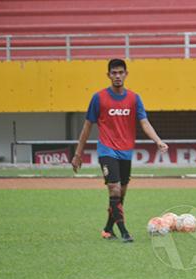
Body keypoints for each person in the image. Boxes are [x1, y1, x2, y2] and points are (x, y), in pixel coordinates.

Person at [71, 58, 168, 242]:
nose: (117, 76)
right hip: (107, 150)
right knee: (114, 189)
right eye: (113, 73)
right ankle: (124, 232)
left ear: (126, 74)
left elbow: (144, 122)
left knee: (121, 193)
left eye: (120, 72)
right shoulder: (98, 98)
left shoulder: (134, 98)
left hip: (126, 152)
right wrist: (78, 154)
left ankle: (108, 228)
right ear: (108, 75)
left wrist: (158, 140)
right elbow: (87, 127)